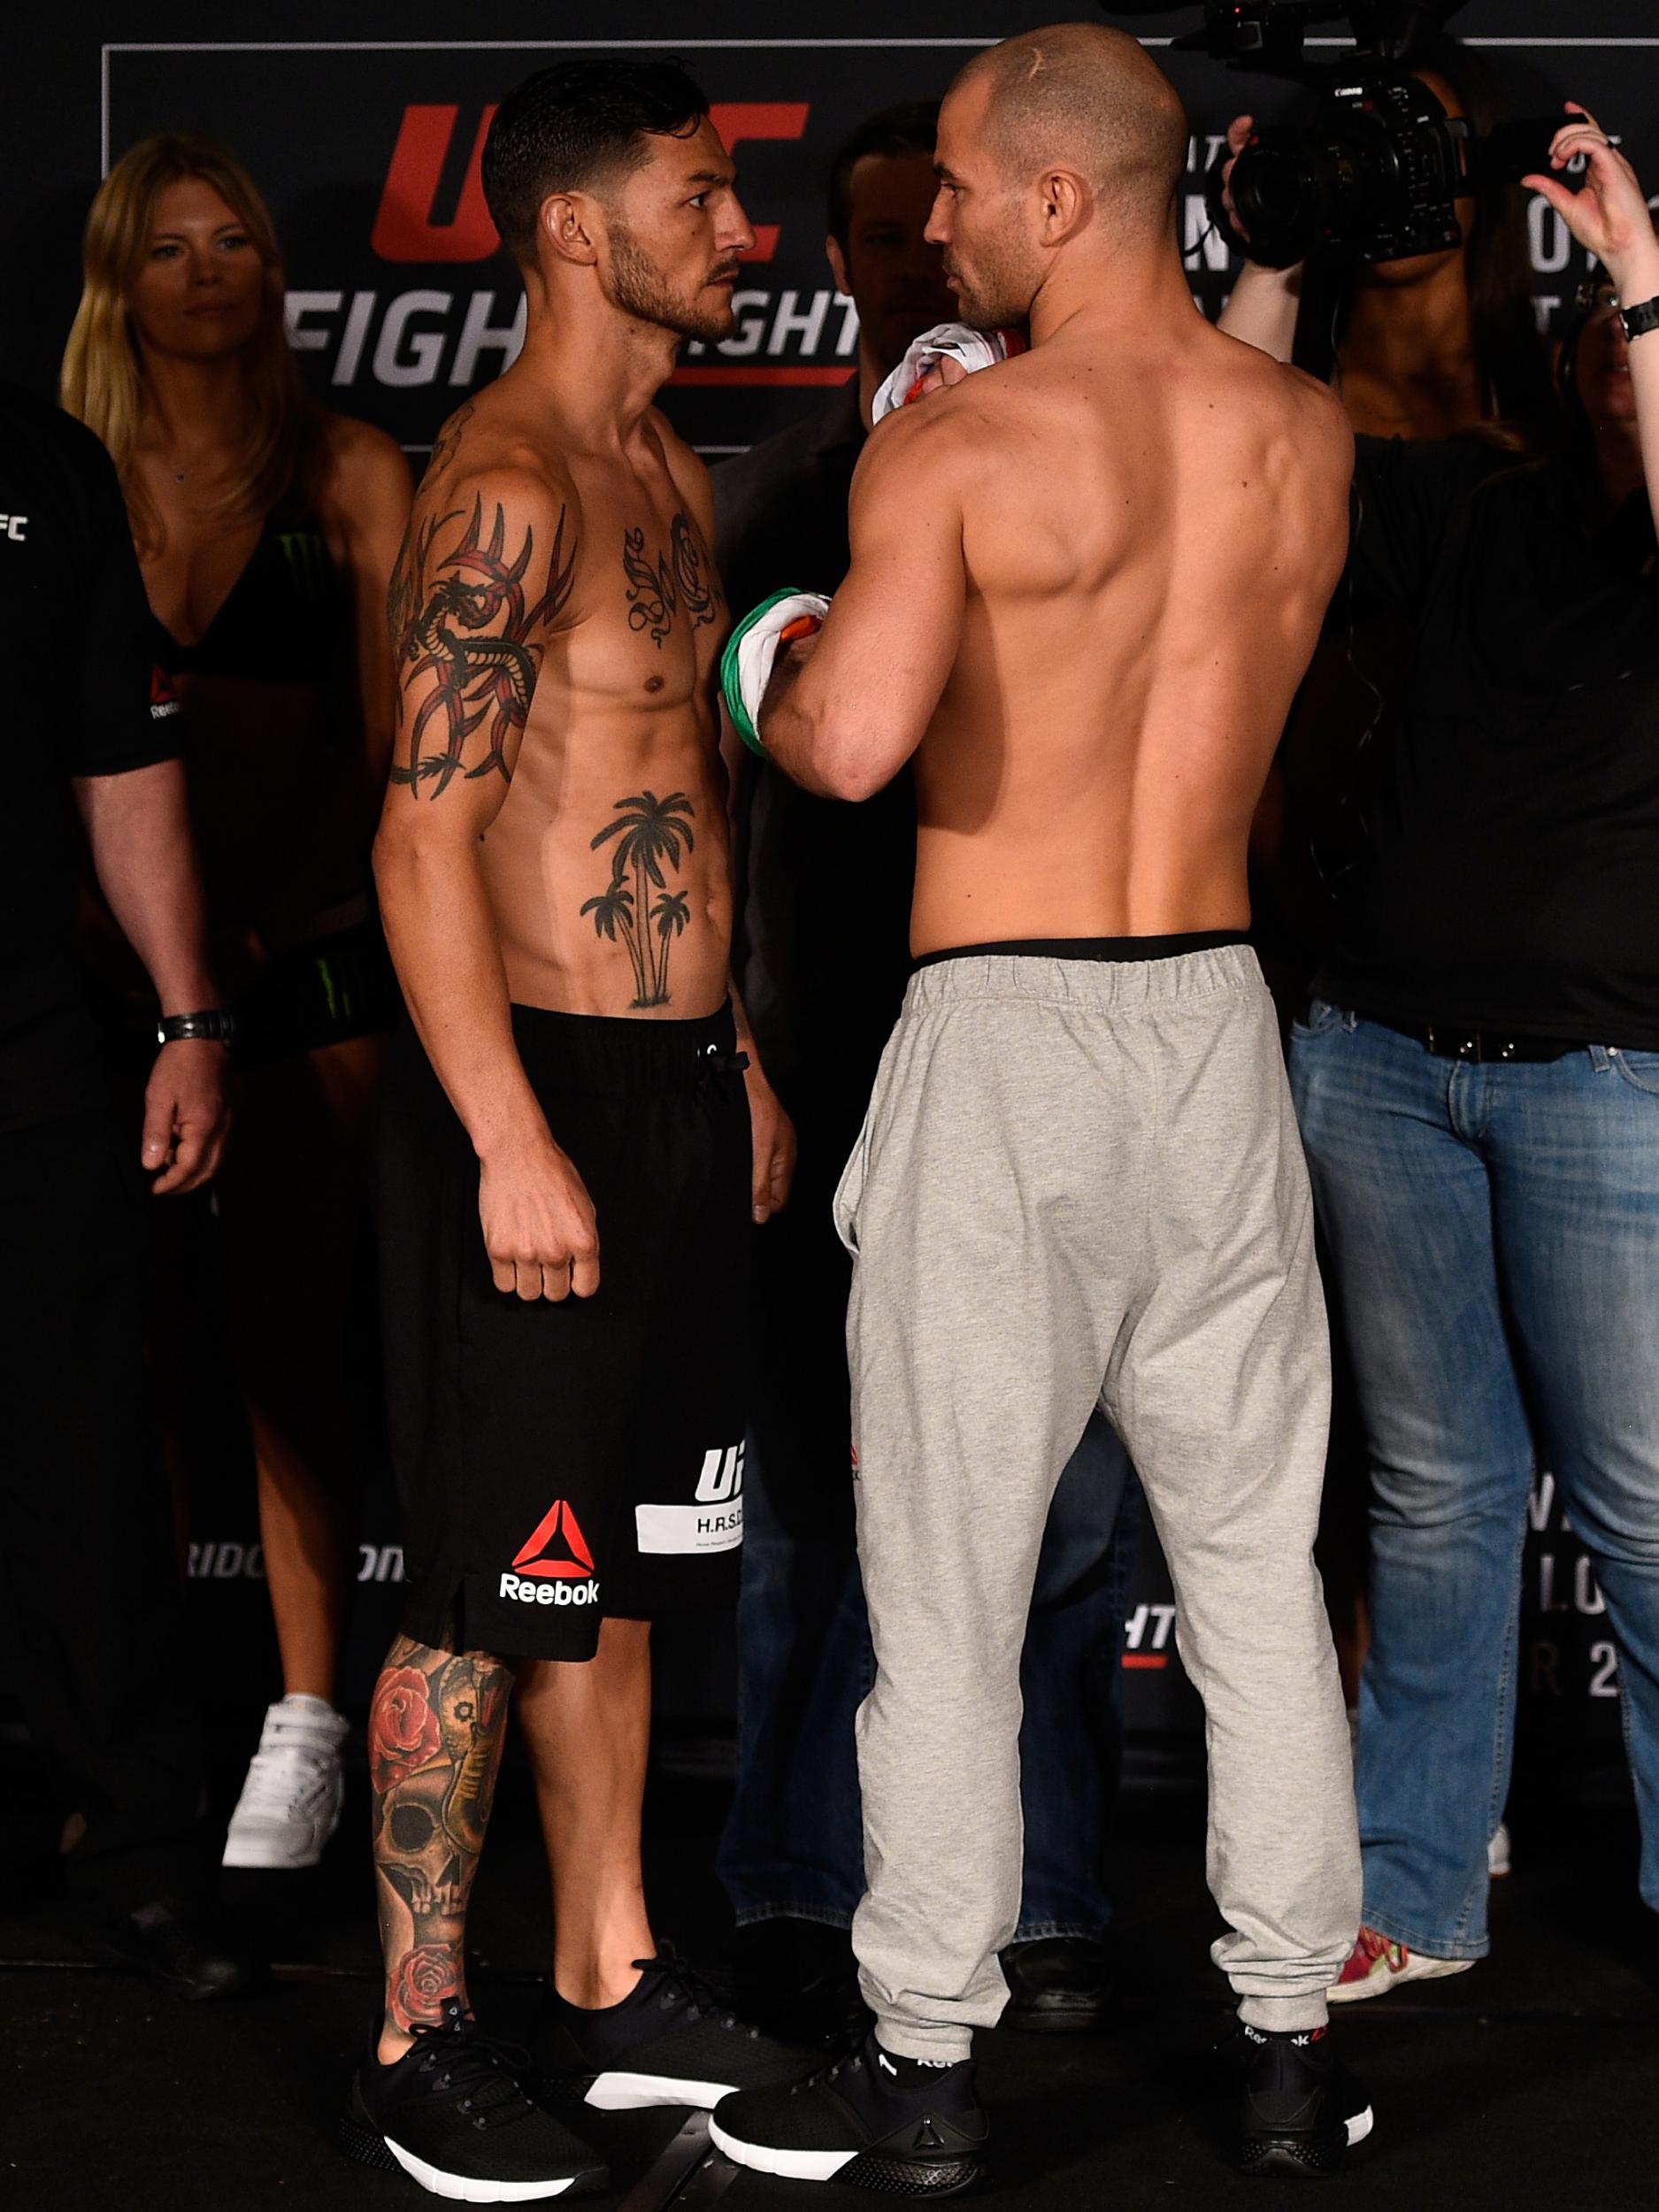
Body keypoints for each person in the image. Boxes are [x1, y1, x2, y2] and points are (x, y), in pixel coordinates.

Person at [709, 25, 1366, 2192]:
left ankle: (925, 2067)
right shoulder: (1300, 434)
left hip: (1005, 1034)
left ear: (1060, 195)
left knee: (947, 1585)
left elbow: (848, 747)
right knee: (1256, 1578)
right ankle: (1287, 2044)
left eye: (962, 195)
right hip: (1212, 1024)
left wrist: (765, 648)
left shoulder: (963, 443)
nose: (936, 228)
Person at [340, 59, 814, 2201]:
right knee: (477, 1588)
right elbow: (420, 833)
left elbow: (684, 800)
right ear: (569, 227)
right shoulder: (511, 476)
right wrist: (506, 1133)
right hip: (517, 1092)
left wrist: (735, 1058)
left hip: (671, 1088)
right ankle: (417, 2029)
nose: (742, 232)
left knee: (617, 1573)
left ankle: (612, 1974)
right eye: (701, 199)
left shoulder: (666, 470)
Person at [715, 98, 1138, 2045]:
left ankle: (1041, 1893)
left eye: (935, 226)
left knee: (1054, 1509)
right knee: (820, 1494)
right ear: (841, 259)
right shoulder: (787, 487)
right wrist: (735, 1033)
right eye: (882, 236)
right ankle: (798, 1885)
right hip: (827, 1039)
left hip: (1046, 1029)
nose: (917, 260)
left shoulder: (1096, 464)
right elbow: (716, 799)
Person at [1225, 109, 1659, 2002]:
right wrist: (1265, 261)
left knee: (1645, 1509)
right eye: (1594, 340)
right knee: (1429, 1496)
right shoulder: (1479, 506)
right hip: (1380, 1068)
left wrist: (1640, 266)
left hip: (1603, 1091)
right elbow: (1233, 452)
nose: (1614, 371)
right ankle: (1414, 1881)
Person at [61, 133, 412, 1870]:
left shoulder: (347, 469)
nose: (213, 271)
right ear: (119, 279)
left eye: (239, 243)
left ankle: (306, 1711)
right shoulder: (70, 484)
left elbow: (399, 753)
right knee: (104, 1354)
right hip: (93, 967)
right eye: (175, 247)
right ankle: (120, 1707)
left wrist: (267, 944)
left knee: (284, 1345)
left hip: (314, 946)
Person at [0, 380, 259, 2001]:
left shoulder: (39, 463)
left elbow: (122, 759)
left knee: (82, 1449)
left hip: (24, 1043)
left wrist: (186, 1014)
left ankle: (142, 1846)